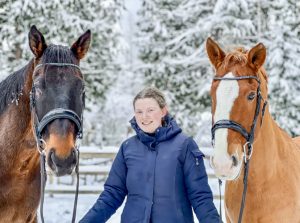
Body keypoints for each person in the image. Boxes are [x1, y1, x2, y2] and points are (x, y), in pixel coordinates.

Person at [80, 87, 220, 223]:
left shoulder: (185, 145)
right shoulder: (128, 148)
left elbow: (200, 197)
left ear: (163, 111)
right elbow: (111, 195)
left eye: (150, 110)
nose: (144, 117)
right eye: (139, 111)